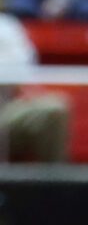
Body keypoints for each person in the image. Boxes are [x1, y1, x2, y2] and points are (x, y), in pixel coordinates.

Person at [0, 8, 70, 163]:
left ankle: (56, 183)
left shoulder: (7, 26)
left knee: (54, 109)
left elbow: (21, 67)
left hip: (5, 109)